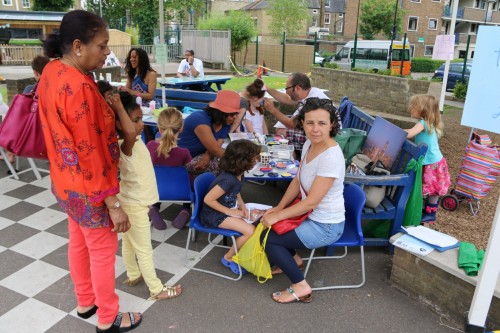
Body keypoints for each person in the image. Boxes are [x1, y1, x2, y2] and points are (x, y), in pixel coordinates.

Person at [37, 10, 143, 332]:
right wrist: (113, 204)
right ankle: (108, 317)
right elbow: (92, 152)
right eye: (103, 44)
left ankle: (86, 302)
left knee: (78, 242)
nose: (108, 51)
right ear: (79, 46)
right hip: (92, 188)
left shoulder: (52, 71)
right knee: (101, 251)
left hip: (66, 183)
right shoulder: (79, 87)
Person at [260, 97, 345, 304]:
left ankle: (301, 287)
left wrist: (278, 215)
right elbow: (297, 180)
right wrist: (278, 208)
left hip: (325, 225)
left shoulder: (331, 157)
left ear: (331, 125)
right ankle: (294, 260)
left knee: (269, 239)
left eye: (322, 123)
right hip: (309, 216)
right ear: (303, 123)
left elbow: (310, 202)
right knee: (269, 226)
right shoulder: (309, 143)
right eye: (310, 123)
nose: (315, 129)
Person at [116, 91, 183, 300]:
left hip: (134, 202)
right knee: (144, 249)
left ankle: (133, 274)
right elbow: (127, 131)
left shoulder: (136, 140)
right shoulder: (125, 144)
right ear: (121, 124)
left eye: (140, 119)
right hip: (135, 205)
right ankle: (156, 289)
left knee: (128, 242)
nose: (141, 124)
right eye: (135, 121)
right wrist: (118, 106)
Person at [201, 140, 260, 275]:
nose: (256, 161)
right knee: (250, 230)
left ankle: (242, 250)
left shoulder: (238, 174)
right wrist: (230, 212)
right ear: (242, 161)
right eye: (253, 158)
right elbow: (208, 199)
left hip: (225, 209)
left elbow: (236, 190)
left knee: (254, 223)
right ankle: (228, 257)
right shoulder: (227, 180)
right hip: (214, 215)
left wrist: (241, 203)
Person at [404, 94, 450, 225]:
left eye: (413, 106)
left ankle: (430, 214)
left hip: (432, 163)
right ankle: (429, 212)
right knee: (433, 189)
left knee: (433, 188)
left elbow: (409, 134)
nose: (410, 108)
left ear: (422, 109)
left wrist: (394, 131)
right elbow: (410, 131)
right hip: (434, 162)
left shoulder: (422, 123)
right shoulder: (428, 124)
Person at [265, 72, 330, 158]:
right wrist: (266, 88)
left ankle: (293, 158)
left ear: (298, 88)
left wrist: (272, 110)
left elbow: (291, 124)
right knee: (283, 125)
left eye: (287, 88)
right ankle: (295, 156)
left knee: (281, 131)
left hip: (325, 137)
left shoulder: (310, 100)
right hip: (323, 131)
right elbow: (287, 99)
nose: (286, 91)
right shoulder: (310, 92)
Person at [147, 107, 193, 229]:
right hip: (182, 192)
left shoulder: (150, 146)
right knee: (191, 177)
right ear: (181, 128)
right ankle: (185, 210)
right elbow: (190, 171)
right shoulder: (184, 152)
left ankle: (154, 207)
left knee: (155, 177)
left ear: (159, 128)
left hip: (156, 190)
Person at [178, 90, 241, 174]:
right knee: (225, 165)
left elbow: (217, 144)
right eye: (233, 114)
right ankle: (215, 186)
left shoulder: (225, 123)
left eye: (236, 114)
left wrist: (207, 155)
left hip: (202, 154)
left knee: (229, 163)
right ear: (221, 112)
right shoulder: (199, 119)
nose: (235, 117)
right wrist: (241, 158)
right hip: (184, 159)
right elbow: (216, 150)